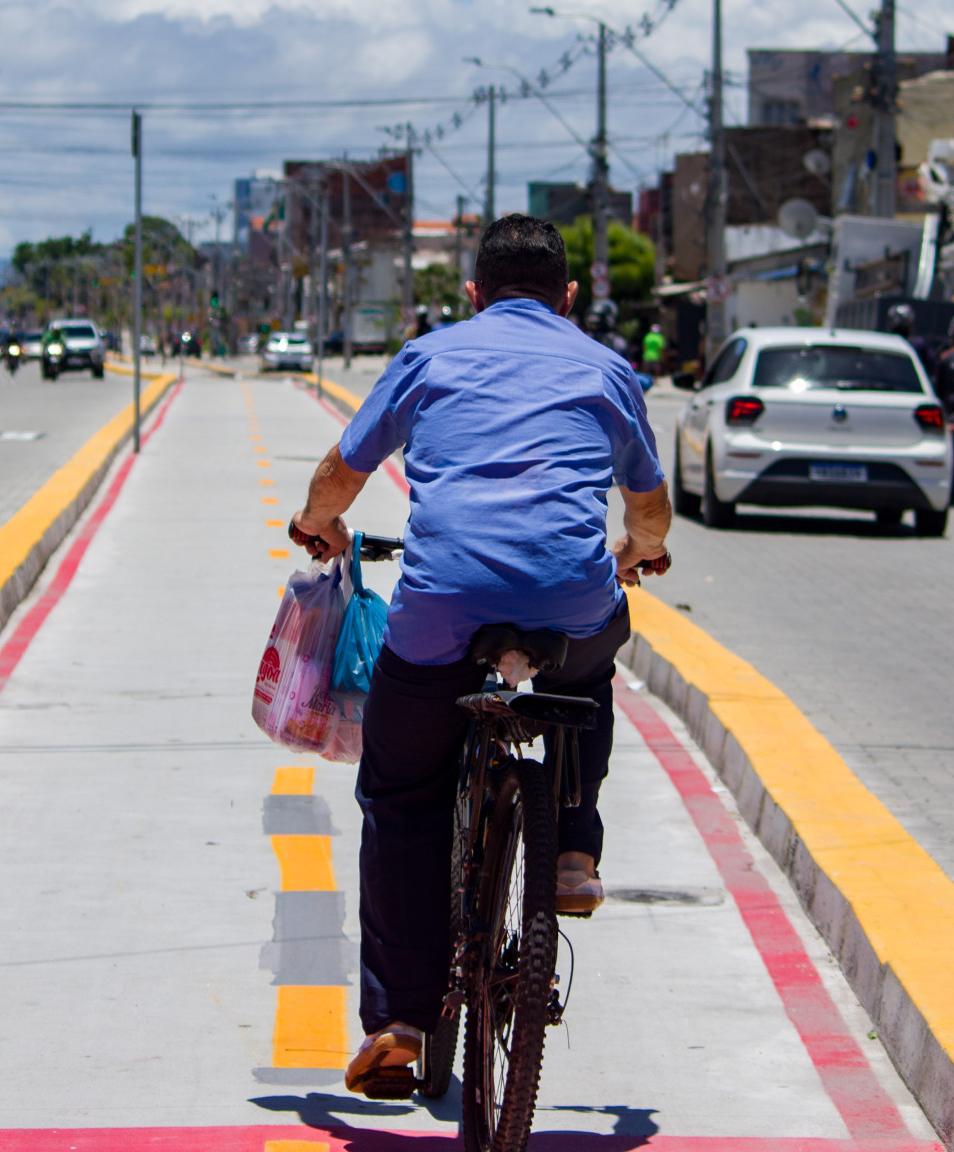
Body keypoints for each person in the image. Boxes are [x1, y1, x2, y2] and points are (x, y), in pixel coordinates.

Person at [288, 213, 673, 1095]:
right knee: (595, 657)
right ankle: (573, 850)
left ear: (473, 294)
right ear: (568, 297)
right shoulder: (607, 367)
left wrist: (319, 527)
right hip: (566, 602)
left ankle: (397, 1023)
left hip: (443, 609)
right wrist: (637, 553)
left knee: (400, 793)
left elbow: (336, 478)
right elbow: (648, 508)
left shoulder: (429, 358)